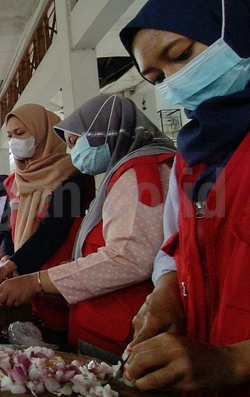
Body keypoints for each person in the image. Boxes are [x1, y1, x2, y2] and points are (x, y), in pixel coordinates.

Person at [118, 0, 250, 393]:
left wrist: (238, 360)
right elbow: (174, 245)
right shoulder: (190, 159)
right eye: (157, 78)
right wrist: (168, 289)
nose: (175, 80)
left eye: (181, 55)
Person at [0, 95, 176, 363]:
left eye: (76, 141)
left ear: (107, 132)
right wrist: (11, 262)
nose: (74, 151)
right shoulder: (122, 175)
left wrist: (35, 279)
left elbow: (127, 256)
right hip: (84, 304)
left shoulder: (138, 174)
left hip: (113, 315)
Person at [0, 103, 94, 340]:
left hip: (54, 283)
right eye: (10, 135)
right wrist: (6, 258)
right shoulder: (14, 182)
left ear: (41, 133)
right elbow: (6, 228)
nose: (14, 141)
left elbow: (53, 231)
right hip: (21, 282)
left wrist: (9, 266)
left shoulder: (70, 177)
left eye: (20, 133)